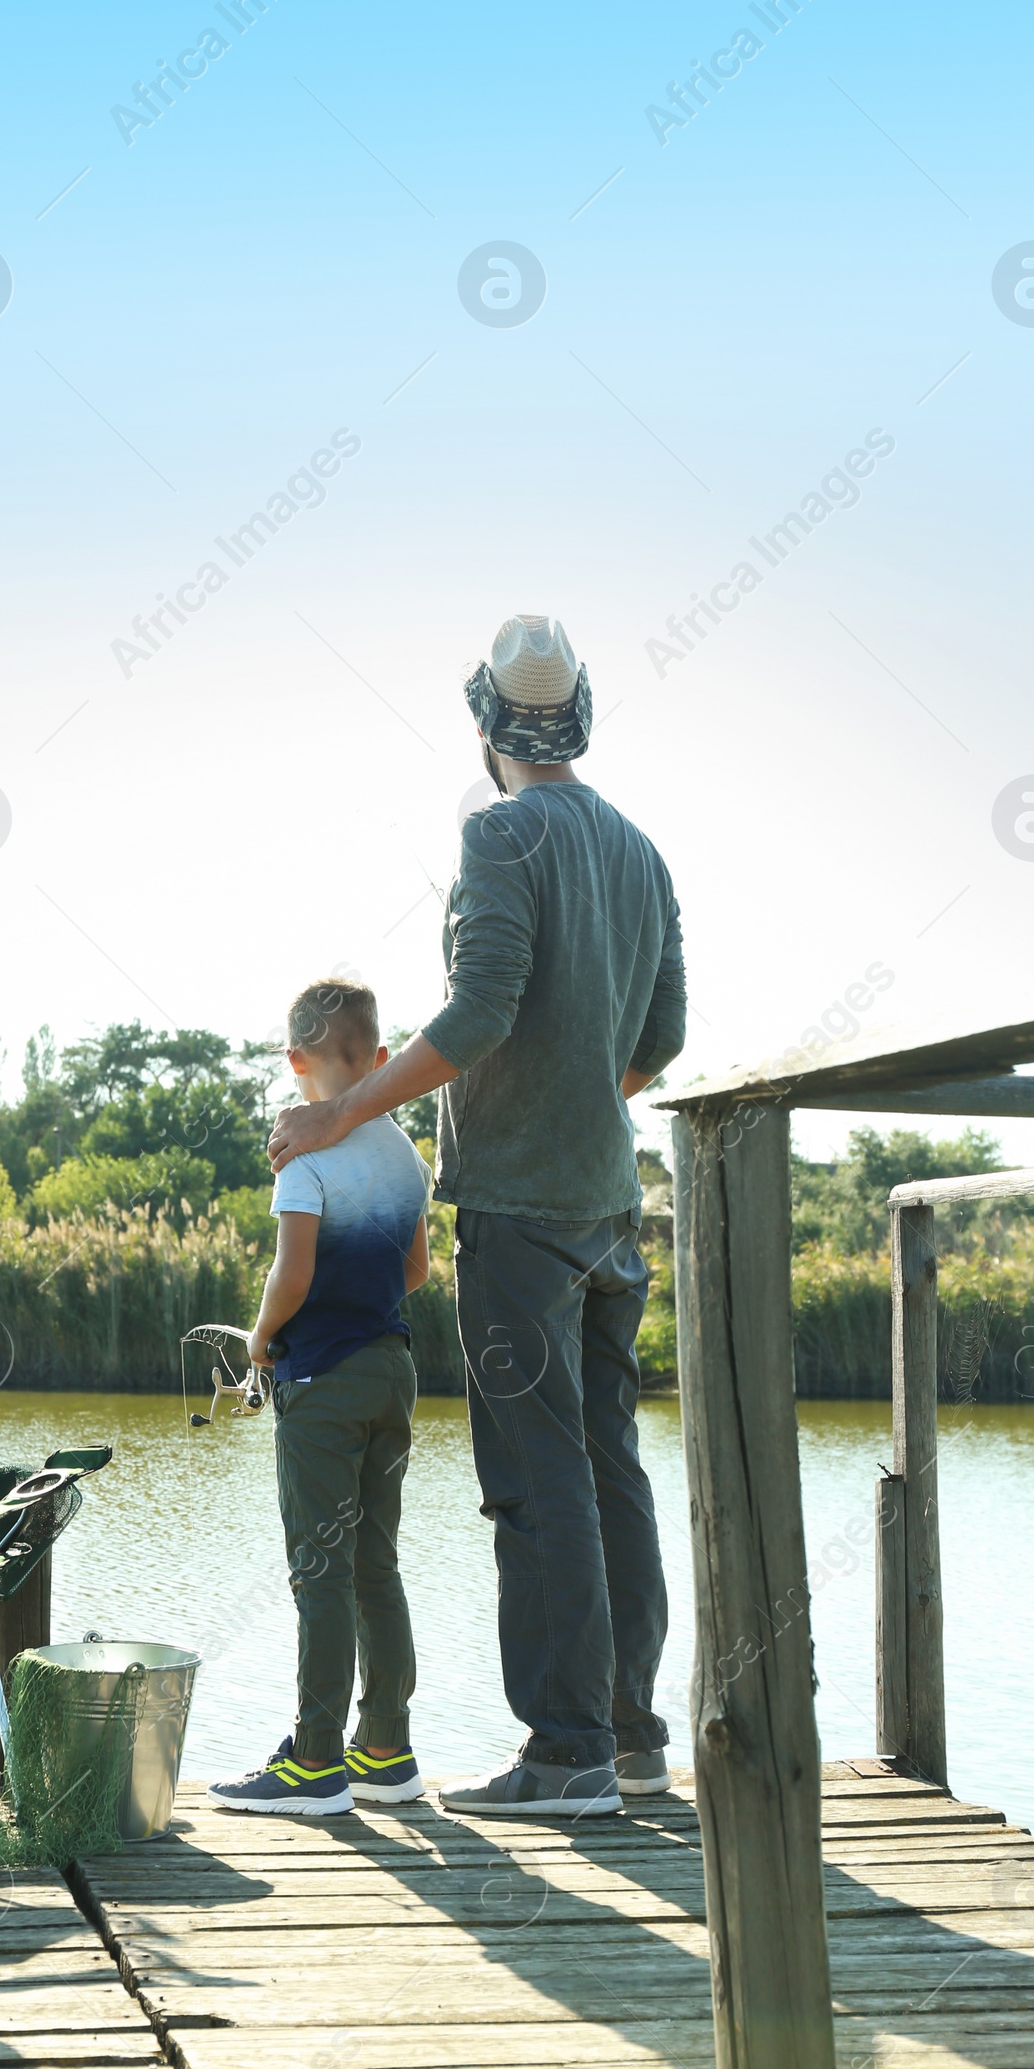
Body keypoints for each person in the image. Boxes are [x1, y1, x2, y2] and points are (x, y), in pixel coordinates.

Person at [268, 615, 686, 1818]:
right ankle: (631, 1736)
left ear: (487, 723)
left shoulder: (500, 835)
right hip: (612, 1210)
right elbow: (656, 1042)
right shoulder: (640, 850)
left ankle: (564, 1757)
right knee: (610, 1467)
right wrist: (578, 1097)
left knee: (532, 1477)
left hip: (518, 1214)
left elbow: (481, 1009)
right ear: (581, 718)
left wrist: (340, 1118)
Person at [208, 977, 431, 1817]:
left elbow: (290, 1274)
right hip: (392, 1371)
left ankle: (314, 1762)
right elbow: (414, 1272)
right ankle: (387, 1749)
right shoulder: (405, 1153)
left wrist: (261, 1340)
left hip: (322, 1385)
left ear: (294, 1059)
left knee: (319, 1572)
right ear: (378, 1059)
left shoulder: (303, 1154)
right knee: (376, 1563)